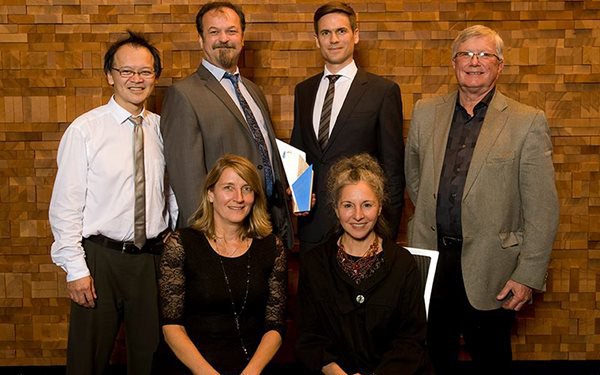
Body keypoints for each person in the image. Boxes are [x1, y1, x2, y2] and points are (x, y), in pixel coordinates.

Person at [405, 25, 559, 374]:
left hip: (493, 266)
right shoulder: (426, 112)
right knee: (430, 358)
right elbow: (415, 177)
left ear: (500, 65)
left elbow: (542, 208)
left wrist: (528, 274)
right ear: (453, 62)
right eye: (466, 54)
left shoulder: (526, 122)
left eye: (484, 54)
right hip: (433, 258)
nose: (474, 62)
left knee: (491, 359)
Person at [49, 31, 177, 374]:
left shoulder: (163, 129)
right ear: (110, 76)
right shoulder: (86, 130)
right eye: (127, 71)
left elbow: (170, 193)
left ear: (155, 77)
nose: (137, 79)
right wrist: (76, 270)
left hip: (151, 259)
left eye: (146, 72)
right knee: (87, 359)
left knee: (149, 357)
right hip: (100, 259)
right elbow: (66, 205)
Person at [160, 1, 293, 250]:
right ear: (201, 40)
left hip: (268, 225)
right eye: (214, 32)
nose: (224, 38)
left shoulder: (253, 90)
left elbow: (265, 154)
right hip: (224, 238)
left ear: (242, 38)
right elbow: (188, 185)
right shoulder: (183, 95)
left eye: (231, 31)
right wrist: (204, 246)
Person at [296, 153, 428, 375]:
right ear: (336, 209)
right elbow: (309, 338)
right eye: (348, 205)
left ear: (379, 207)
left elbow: (411, 340)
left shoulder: (403, 264)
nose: (358, 215)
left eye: (367, 205)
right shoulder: (314, 264)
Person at [290, 1, 404, 252]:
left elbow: (393, 171)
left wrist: (388, 235)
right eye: (325, 33)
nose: (333, 39)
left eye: (341, 31)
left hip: (361, 228)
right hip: (313, 228)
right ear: (316, 39)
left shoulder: (382, 92)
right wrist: (299, 195)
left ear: (356, 35)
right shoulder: (304, 91)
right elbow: (300, 153)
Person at [159, 154, 287, 375]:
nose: (238, 197)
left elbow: (275, 326)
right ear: (210, 194)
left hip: (252, 366)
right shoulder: (182, 244)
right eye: (228, 187)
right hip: (193, 366)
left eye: (247, 189)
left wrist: (252, 372)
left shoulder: (271, 246)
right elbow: (172, 325)